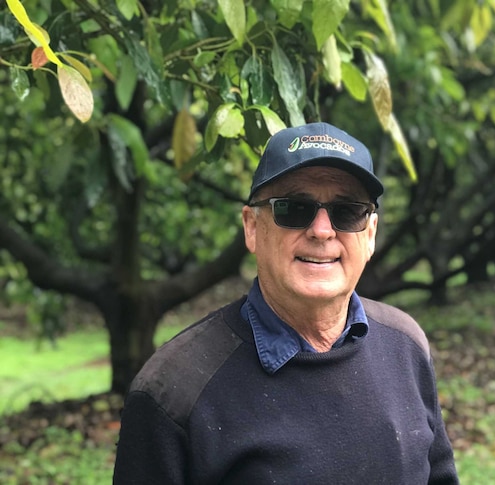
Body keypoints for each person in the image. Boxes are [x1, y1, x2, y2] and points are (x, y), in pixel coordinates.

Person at [113, 122, 459, 484]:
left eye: (348, 211)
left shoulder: (405, 344)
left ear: (369, 233)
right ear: (252, 228)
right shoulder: (174, 391)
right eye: (294, 208)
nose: (322, 230)